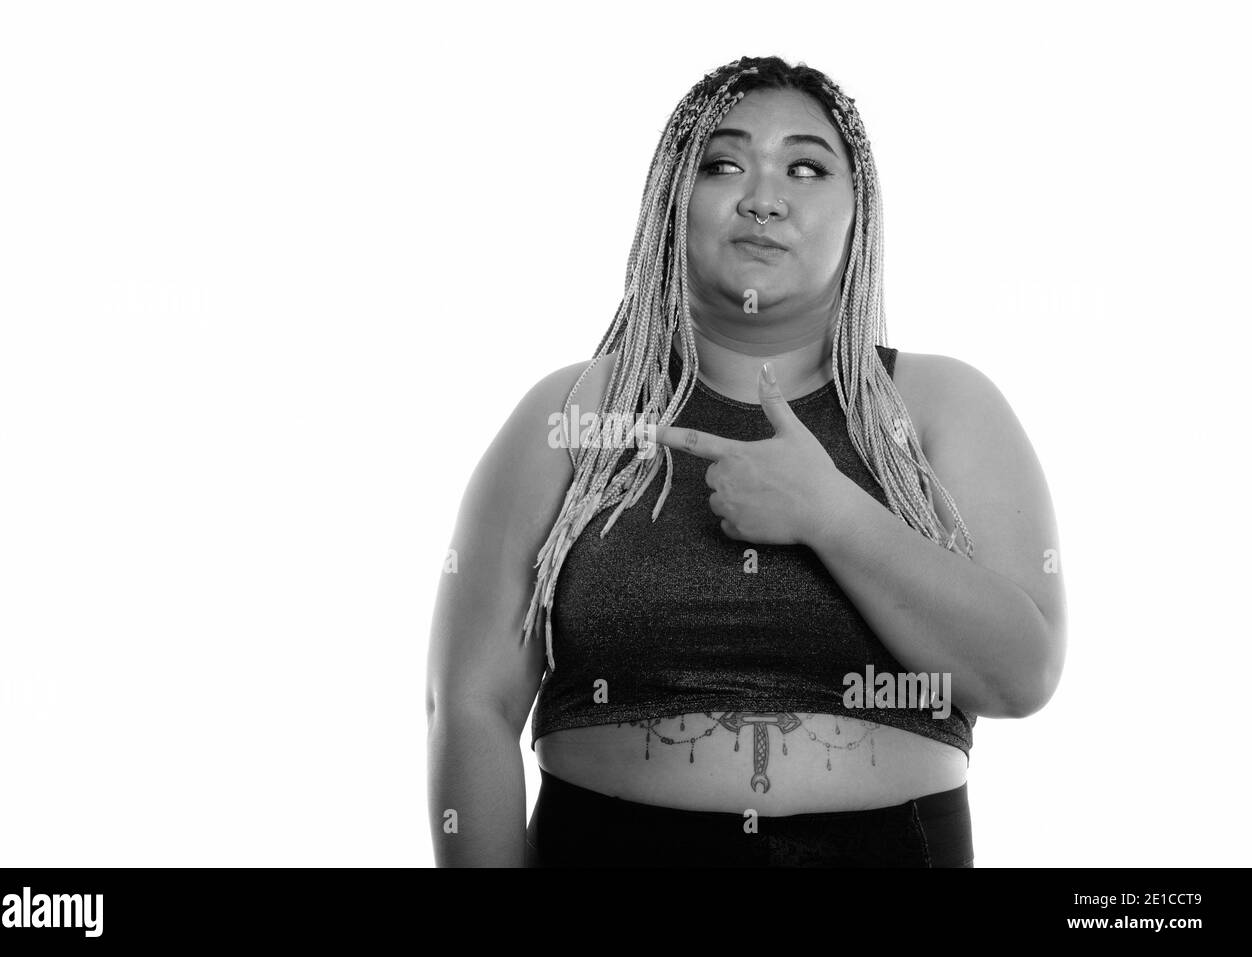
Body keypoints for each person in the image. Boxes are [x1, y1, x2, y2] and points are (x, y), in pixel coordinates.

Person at [426, 55, 1067, 867]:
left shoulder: (941, 407)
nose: (764, 197)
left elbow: (1020, 676)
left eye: (806, 168)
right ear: (670, 202)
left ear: (859, 213)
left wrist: (832, 515)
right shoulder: (577, 413)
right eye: (723, 164)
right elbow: (471, 705)